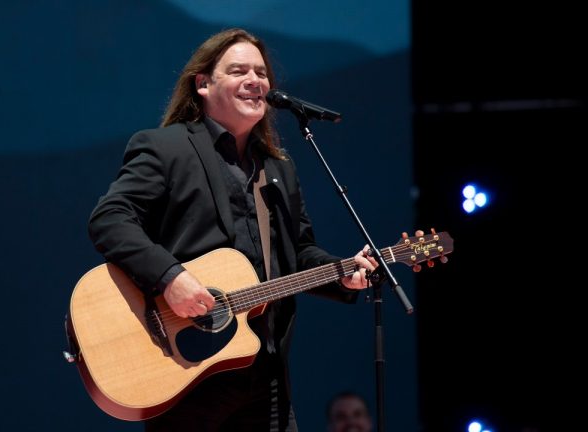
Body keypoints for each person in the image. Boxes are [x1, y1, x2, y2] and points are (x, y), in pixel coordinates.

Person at [88, 28, 381, 431]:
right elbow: (109, 218)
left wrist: (343, 273)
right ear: (203, 84)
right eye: (239, 71)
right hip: (189, 372)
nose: (255, 80)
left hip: (266, 376)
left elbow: (297, 253)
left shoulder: (278, 168)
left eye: (261, 73)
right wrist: (171, 278)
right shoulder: (166, 148)